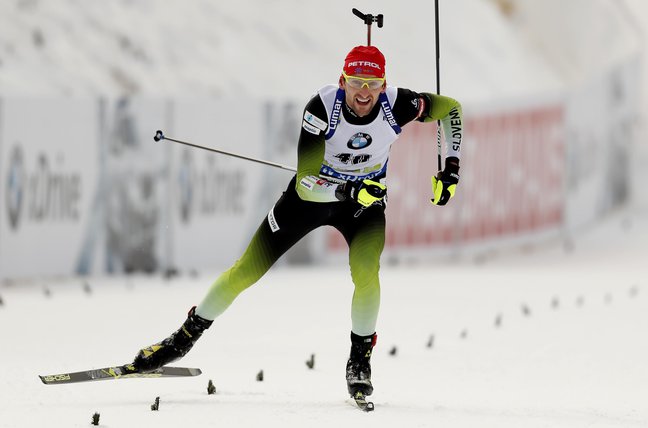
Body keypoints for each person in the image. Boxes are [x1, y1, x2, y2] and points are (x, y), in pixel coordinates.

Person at [132, 45, 463, 398]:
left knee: (367, 273)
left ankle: (359, 362)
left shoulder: (401, 105)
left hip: (363, 208)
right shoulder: (322, 108)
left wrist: (451, 169)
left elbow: (450, 110)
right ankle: (182, 339)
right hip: (317, 197)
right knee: (246, 270)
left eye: (372, 84)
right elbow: (306, 183)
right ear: (342, 81)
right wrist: (348, 192)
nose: (363, 93)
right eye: (355, 83)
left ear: (384, 85)